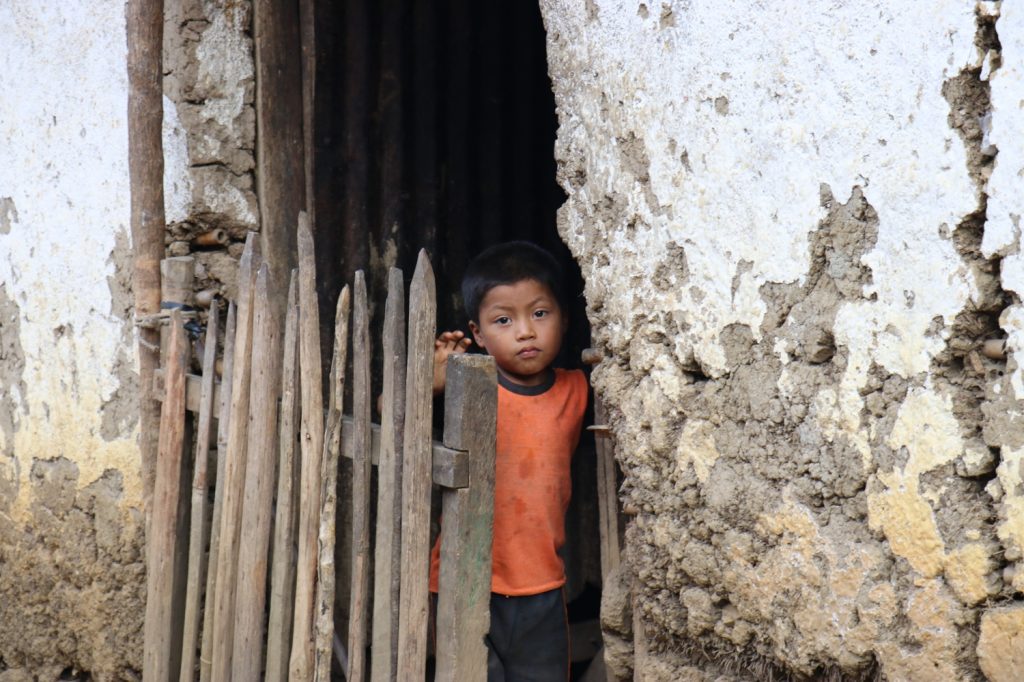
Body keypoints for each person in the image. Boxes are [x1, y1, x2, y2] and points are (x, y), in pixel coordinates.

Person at [429, 241, 589, 681]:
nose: (525, 332)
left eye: (539, 313)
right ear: (478, 334)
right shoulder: (467, 388)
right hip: (464, 581)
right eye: (504, 320)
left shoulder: (578, 390)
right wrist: (432, 384)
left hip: (542, 584)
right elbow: (390, 416)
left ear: (565, 318)